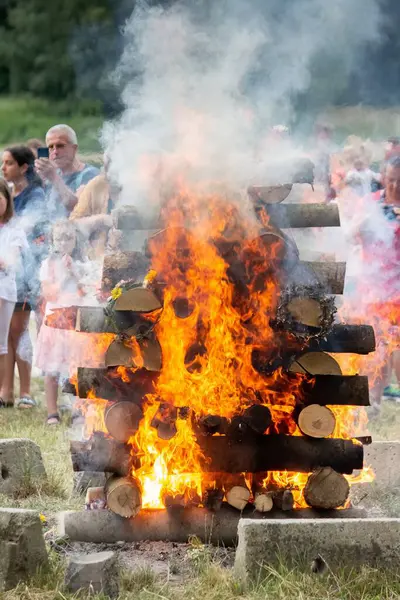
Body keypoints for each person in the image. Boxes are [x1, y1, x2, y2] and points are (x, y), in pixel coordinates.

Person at [35, 220, 101, 424]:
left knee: (77, 366)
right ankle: (52, 412)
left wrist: (75, 274)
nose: (64, 242)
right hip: (55, 321)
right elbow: (49, 294)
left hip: (75, 322)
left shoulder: (80, 263)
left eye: (68, 238)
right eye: (59, 238)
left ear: (75, 240)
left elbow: (85, 292)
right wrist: (64, 276)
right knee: (52, 368)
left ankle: (77, 409)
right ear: (53, 241)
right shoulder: (48, 265)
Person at [1, 146, 46, 408]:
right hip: (8, 277)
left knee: (19, 332)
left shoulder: (34, 195)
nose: (4, 168)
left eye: (8, 163)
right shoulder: (11, 191)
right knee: (5, 336)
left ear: (23, 166)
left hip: (24, 274)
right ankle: (5, 390)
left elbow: (30, 230)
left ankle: (26, 391)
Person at [0, 180, 28, 407]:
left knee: (1, 344)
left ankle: (4, 392)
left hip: (3, 290)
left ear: (7, 201)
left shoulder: (14, 231)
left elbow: (10, 261)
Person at [35, 124, 99, 217]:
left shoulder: (90, 175)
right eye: (51, 147)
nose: (55, 152)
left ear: (74, 148)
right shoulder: (52, 174)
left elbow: (79, 209)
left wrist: (54, 178)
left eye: (60, 146)